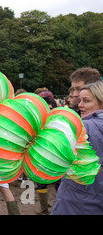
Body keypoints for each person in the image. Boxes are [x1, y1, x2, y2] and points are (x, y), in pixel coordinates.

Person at [51, 81, 103, 214]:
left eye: (86, 101)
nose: (80, 105)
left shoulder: (84, 127)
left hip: (77, 201)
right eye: (80, 100)